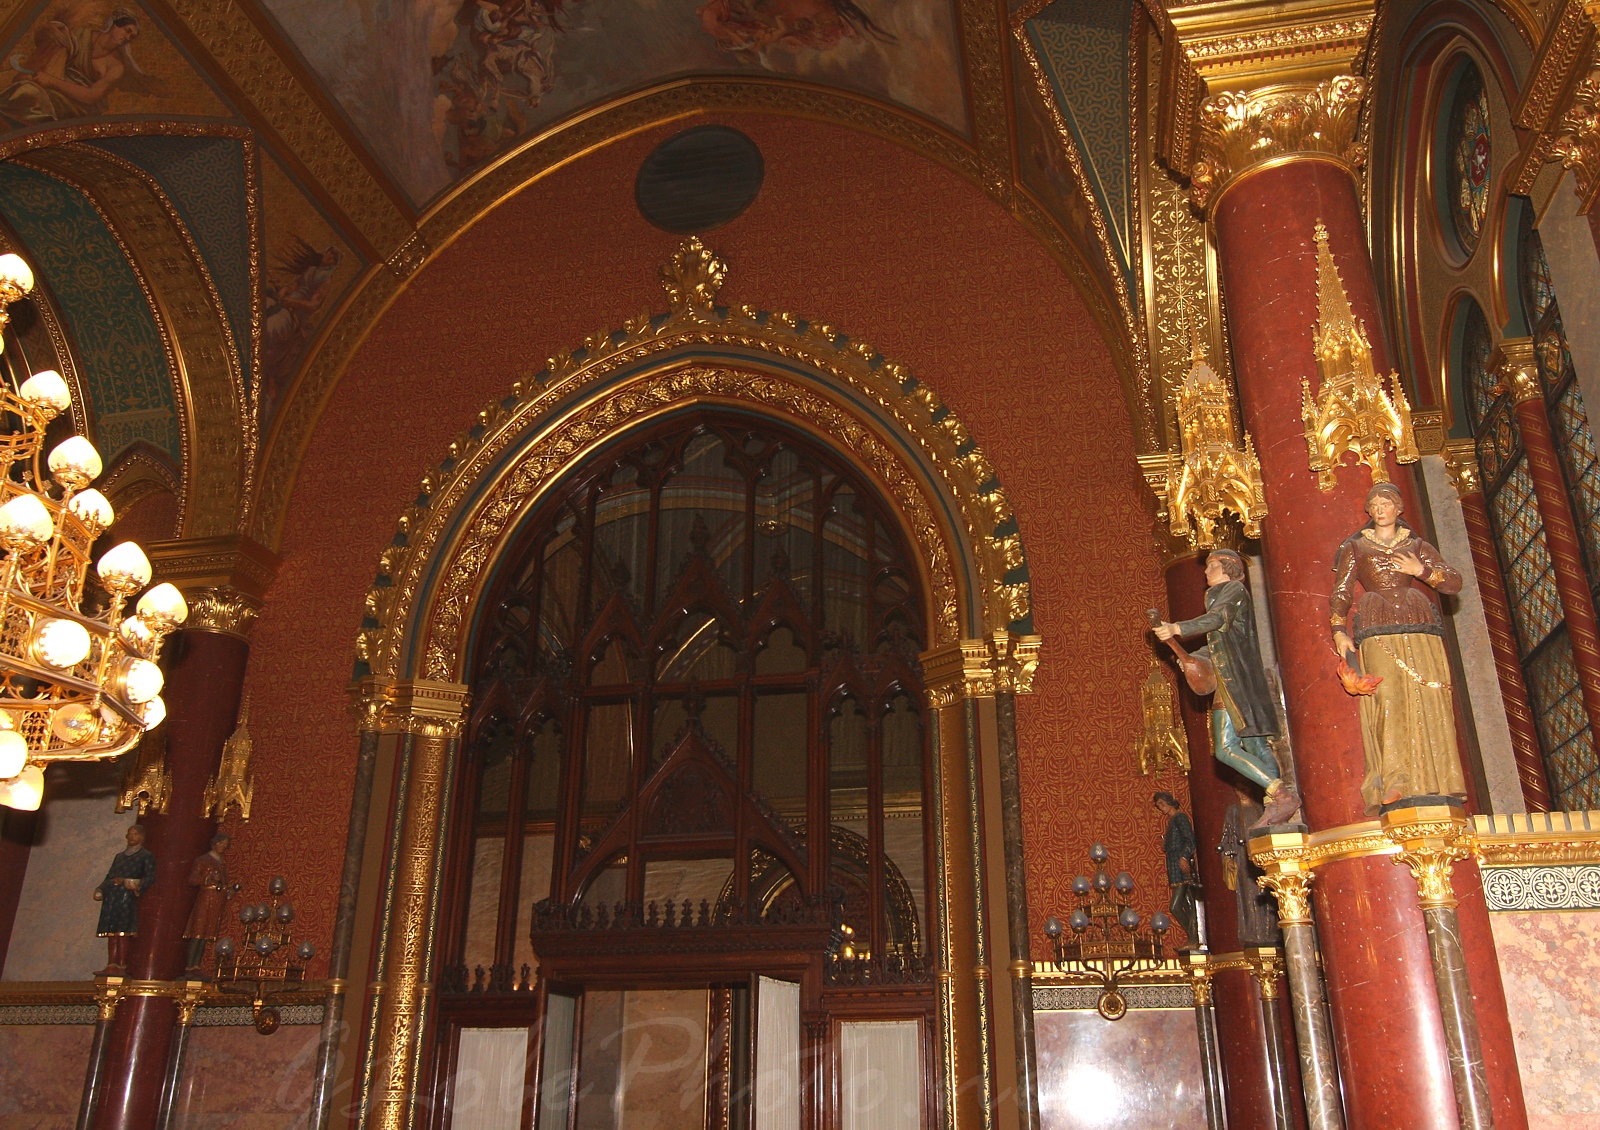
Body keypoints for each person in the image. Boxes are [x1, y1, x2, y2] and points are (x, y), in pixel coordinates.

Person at [1331, 481, 1467, 812]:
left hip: (1418, 620)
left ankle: (1441, 779)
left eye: (1386, 504)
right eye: (1374, 505)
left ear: (1399, 509)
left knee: (1428, 694)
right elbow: (1343, 589)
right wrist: (1338, 628)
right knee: (1388, 698)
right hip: (1377, 622)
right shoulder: (1357, 546)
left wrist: (1420, 571)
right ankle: (1394, 780)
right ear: (1368, 511)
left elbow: (1453, 582)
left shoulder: (1417, 545)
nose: (1380, 510)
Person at [1154, 548, 1301, 826]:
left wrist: (1178, 628)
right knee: (1256, 745)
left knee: (1225, 748)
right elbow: (1216, 646)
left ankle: (1281, 795)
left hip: (1237, 680)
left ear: (1228, 568)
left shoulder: (1233, 590)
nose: (1206, 572)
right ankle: (1276, 806)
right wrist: (1191, 660)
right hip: (1231, 678)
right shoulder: (1218, 596)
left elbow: (1218, 618)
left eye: (1211, 566)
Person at [0, 8, 142, 126]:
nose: (128, 37)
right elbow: (47, 41)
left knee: (28, 92)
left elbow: (91, 97)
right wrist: (49, 30)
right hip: (54, 88)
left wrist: (51, 81)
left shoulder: (116, 67)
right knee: (22, 91)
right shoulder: (81, 34)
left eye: (133, 36)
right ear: (114, 25)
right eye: (127, 30)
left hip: (78, 105)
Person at [1218, 784, 1280, 947]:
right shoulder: (1233, 811)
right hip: (1243, 857)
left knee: (1267, 892)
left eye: (1244, 789)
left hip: (1263, 855)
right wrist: (1228, 856)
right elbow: (1227, 835)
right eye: (1239, 790)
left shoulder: (1260, 808)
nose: (1242, 793)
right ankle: (1253, 932)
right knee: (1249, 896)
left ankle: (1270, 931)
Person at [93, 823, 155, 976]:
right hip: (113, 896)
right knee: (112, 932)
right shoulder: (119, 857)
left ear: (141, 837)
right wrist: (101, 888)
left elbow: (149, 877)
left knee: (122, 931)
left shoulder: (145, 856)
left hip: (127, 896)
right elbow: (110, 876)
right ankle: (111, 963)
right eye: (130, 834)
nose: (131, 837)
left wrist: (135, 883)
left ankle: (121, 965)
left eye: (135, 834)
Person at [182, 831, 234, 975]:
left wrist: (228, 890)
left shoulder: (221, 863)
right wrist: (208, 878)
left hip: (216, 899)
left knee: (205, 935)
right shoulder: (203, 860)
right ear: (214, 844)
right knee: (198, 932)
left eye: (225, 844)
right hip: (206, 898)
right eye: (221, 843)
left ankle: (196, 966)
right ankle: (189, 966)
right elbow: (193, 879)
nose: (223, 846)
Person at [1154, 792, 1199, 943]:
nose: (1161, 807)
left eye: (1162, 803)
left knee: (1176, 906)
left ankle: (1194, 937)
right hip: (1173, 864)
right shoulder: (1172, 820)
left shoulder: (1180, 817)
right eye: (1158, 805)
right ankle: (1193, 937)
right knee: (1186, 904)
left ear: (1169, 801)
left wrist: (1184, 857)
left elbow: (1189, 839)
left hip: (1180, 865)